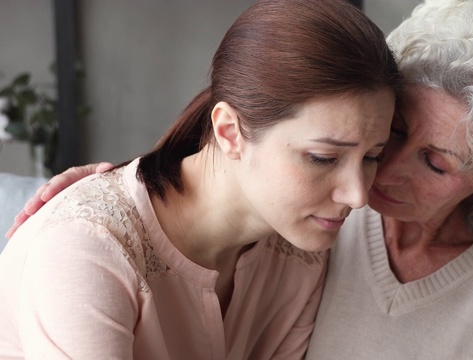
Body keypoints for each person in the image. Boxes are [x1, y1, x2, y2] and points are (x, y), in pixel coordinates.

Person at [7, 0, 473, 359]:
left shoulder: (301, 248)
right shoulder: (306, 232)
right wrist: (101, 204)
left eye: (436, 163)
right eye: (392, 136)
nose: (364, 192)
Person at [0, 0, 401, 358]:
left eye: (372, 157)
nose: (358, 195)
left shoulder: (301, 253)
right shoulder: (86, 251)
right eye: (323, 158)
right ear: (228, 132)